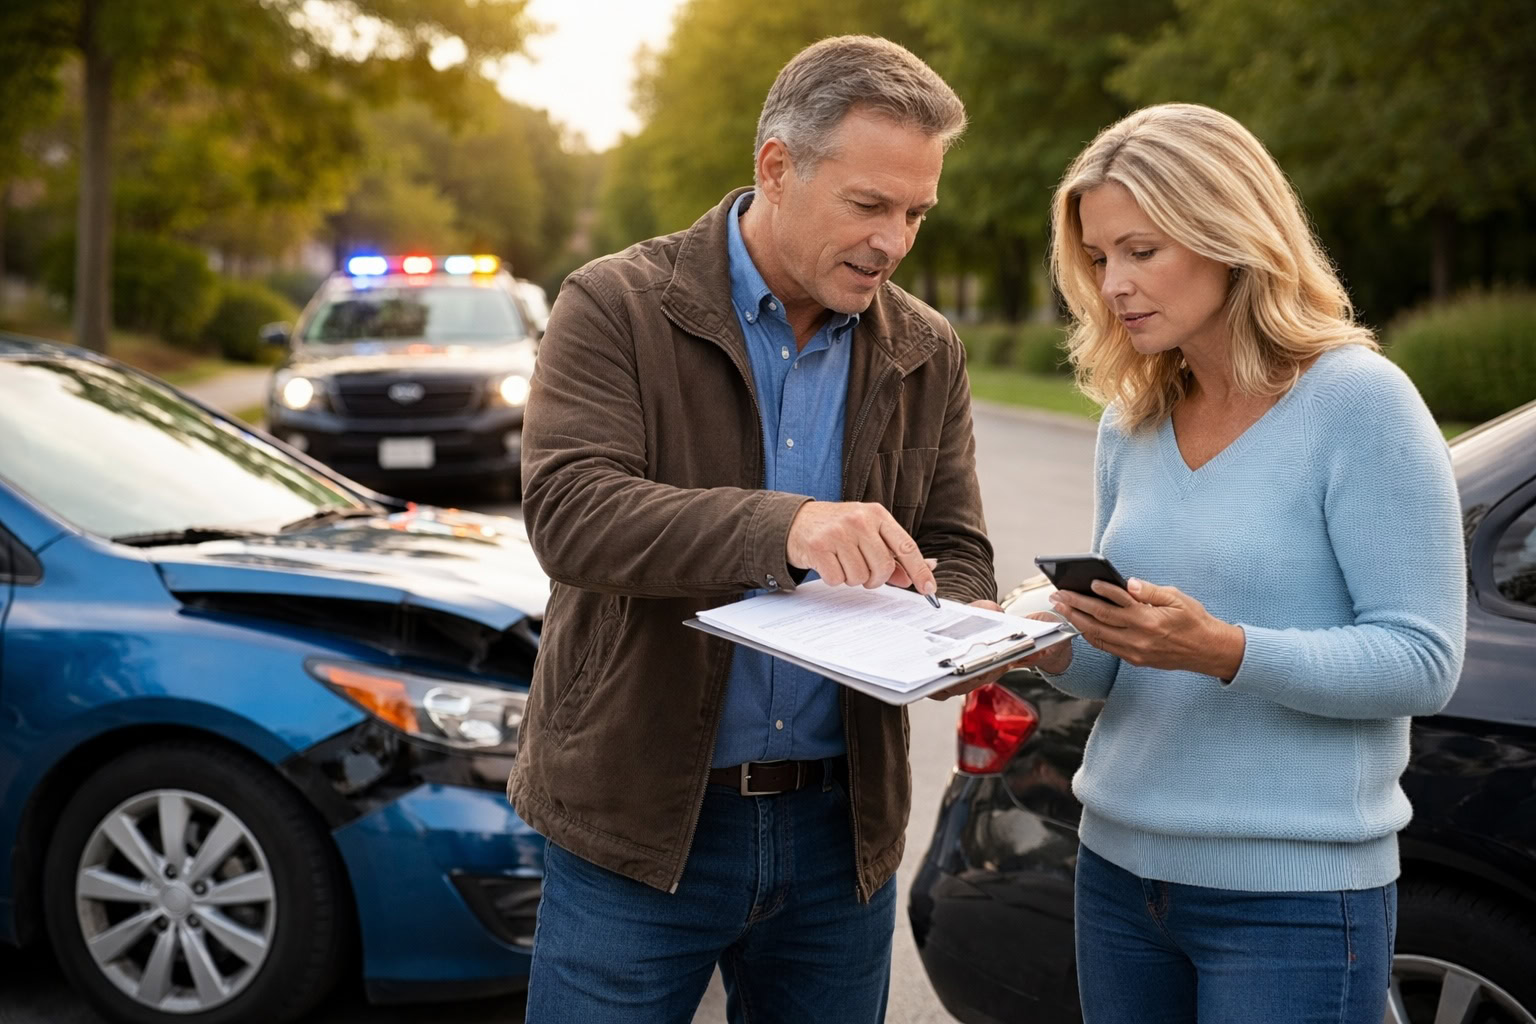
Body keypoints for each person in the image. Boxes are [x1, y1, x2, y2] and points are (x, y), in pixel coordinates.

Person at [511, 35, 1018, 1024]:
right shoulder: (614, 304)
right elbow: (572, 513)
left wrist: (965, 630)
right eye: (869, 205)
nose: (894, 241)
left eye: (916, 213)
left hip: (840, 835)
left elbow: (956, 547)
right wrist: (789, 528)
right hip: (639, 825)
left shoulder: (928, 347)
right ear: (777, 169)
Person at [1026, 103, 1466, 1023]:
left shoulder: (1360, 404)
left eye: (1141, 250)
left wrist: (1225, 649)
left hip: (1293, 902)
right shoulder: (1132, 420)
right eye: (1099, 258)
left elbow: (1423, 661)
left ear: (1228, 235)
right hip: (1118, 877)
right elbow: (1119, 667)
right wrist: (1047, 640)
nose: (1113, 284)